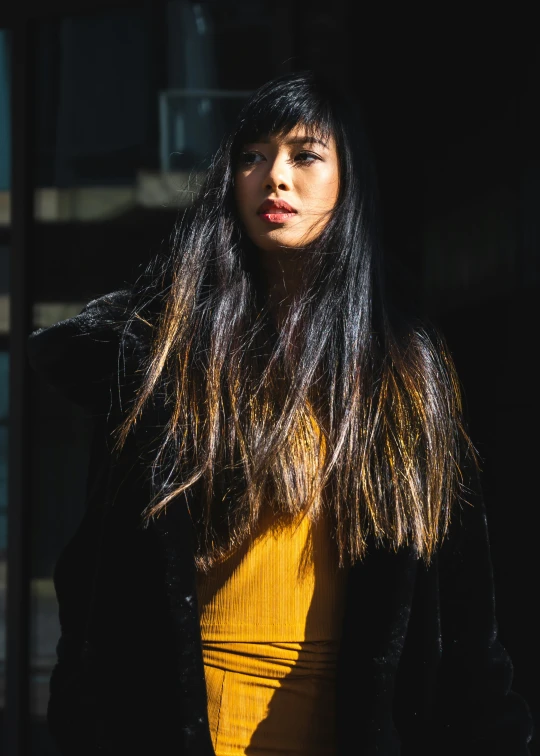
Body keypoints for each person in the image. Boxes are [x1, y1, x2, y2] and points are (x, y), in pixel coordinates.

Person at [27, 71, 534, 756]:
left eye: (304, 154)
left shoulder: (406, 369)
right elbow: (95, 585)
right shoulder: (169, 358)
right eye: (252, 156)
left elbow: (468, 619)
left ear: (348, 177)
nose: (275, 177)